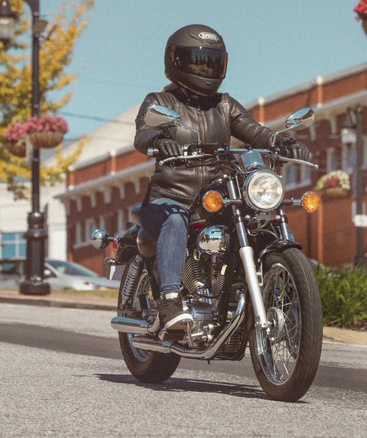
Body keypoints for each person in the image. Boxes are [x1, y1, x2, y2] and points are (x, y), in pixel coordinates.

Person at [133, 24, 311, 332]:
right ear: (177, 62)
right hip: (169, 198)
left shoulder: (224, 105)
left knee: (255, 217)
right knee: (175, 220)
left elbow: (254, 131)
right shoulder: (160, 102)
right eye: (198, 61)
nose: (206, 69)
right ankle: (170, 300)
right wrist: (159, 141)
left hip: (212, 198)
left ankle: (255, 292)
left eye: (212, 62)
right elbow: (143, 132)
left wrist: (280, 142)